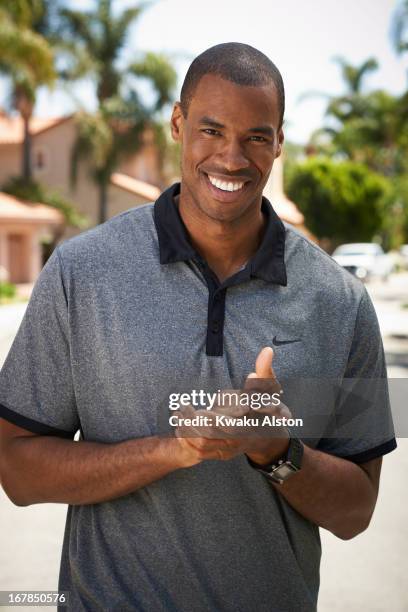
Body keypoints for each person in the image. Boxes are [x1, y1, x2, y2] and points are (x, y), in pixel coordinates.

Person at [0, 43, 396, 612]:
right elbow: (16, 470)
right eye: (211, 130)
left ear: (280, 141)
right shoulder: (81, 273)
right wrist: (171, 450)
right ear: (178, 123)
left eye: (257, 136)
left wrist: (274, 447)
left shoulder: (342, 302)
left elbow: (357, 511)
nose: (232, 158)